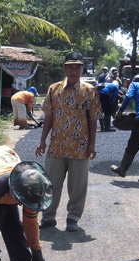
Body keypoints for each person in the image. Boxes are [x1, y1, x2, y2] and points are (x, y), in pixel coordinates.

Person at [35, 51, 103, 232]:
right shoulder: (54, 89)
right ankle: (48, 218)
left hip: (80, 148)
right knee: (50, 183)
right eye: (70, 67)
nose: (74, 71)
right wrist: (42, 141)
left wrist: (92, 144)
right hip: (56, 146)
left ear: (82, 68)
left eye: (78, 67)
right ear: (64, 68)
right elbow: (49, 117)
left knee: (78, 186)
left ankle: (73, 217)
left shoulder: (89, 91)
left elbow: (93, 119)